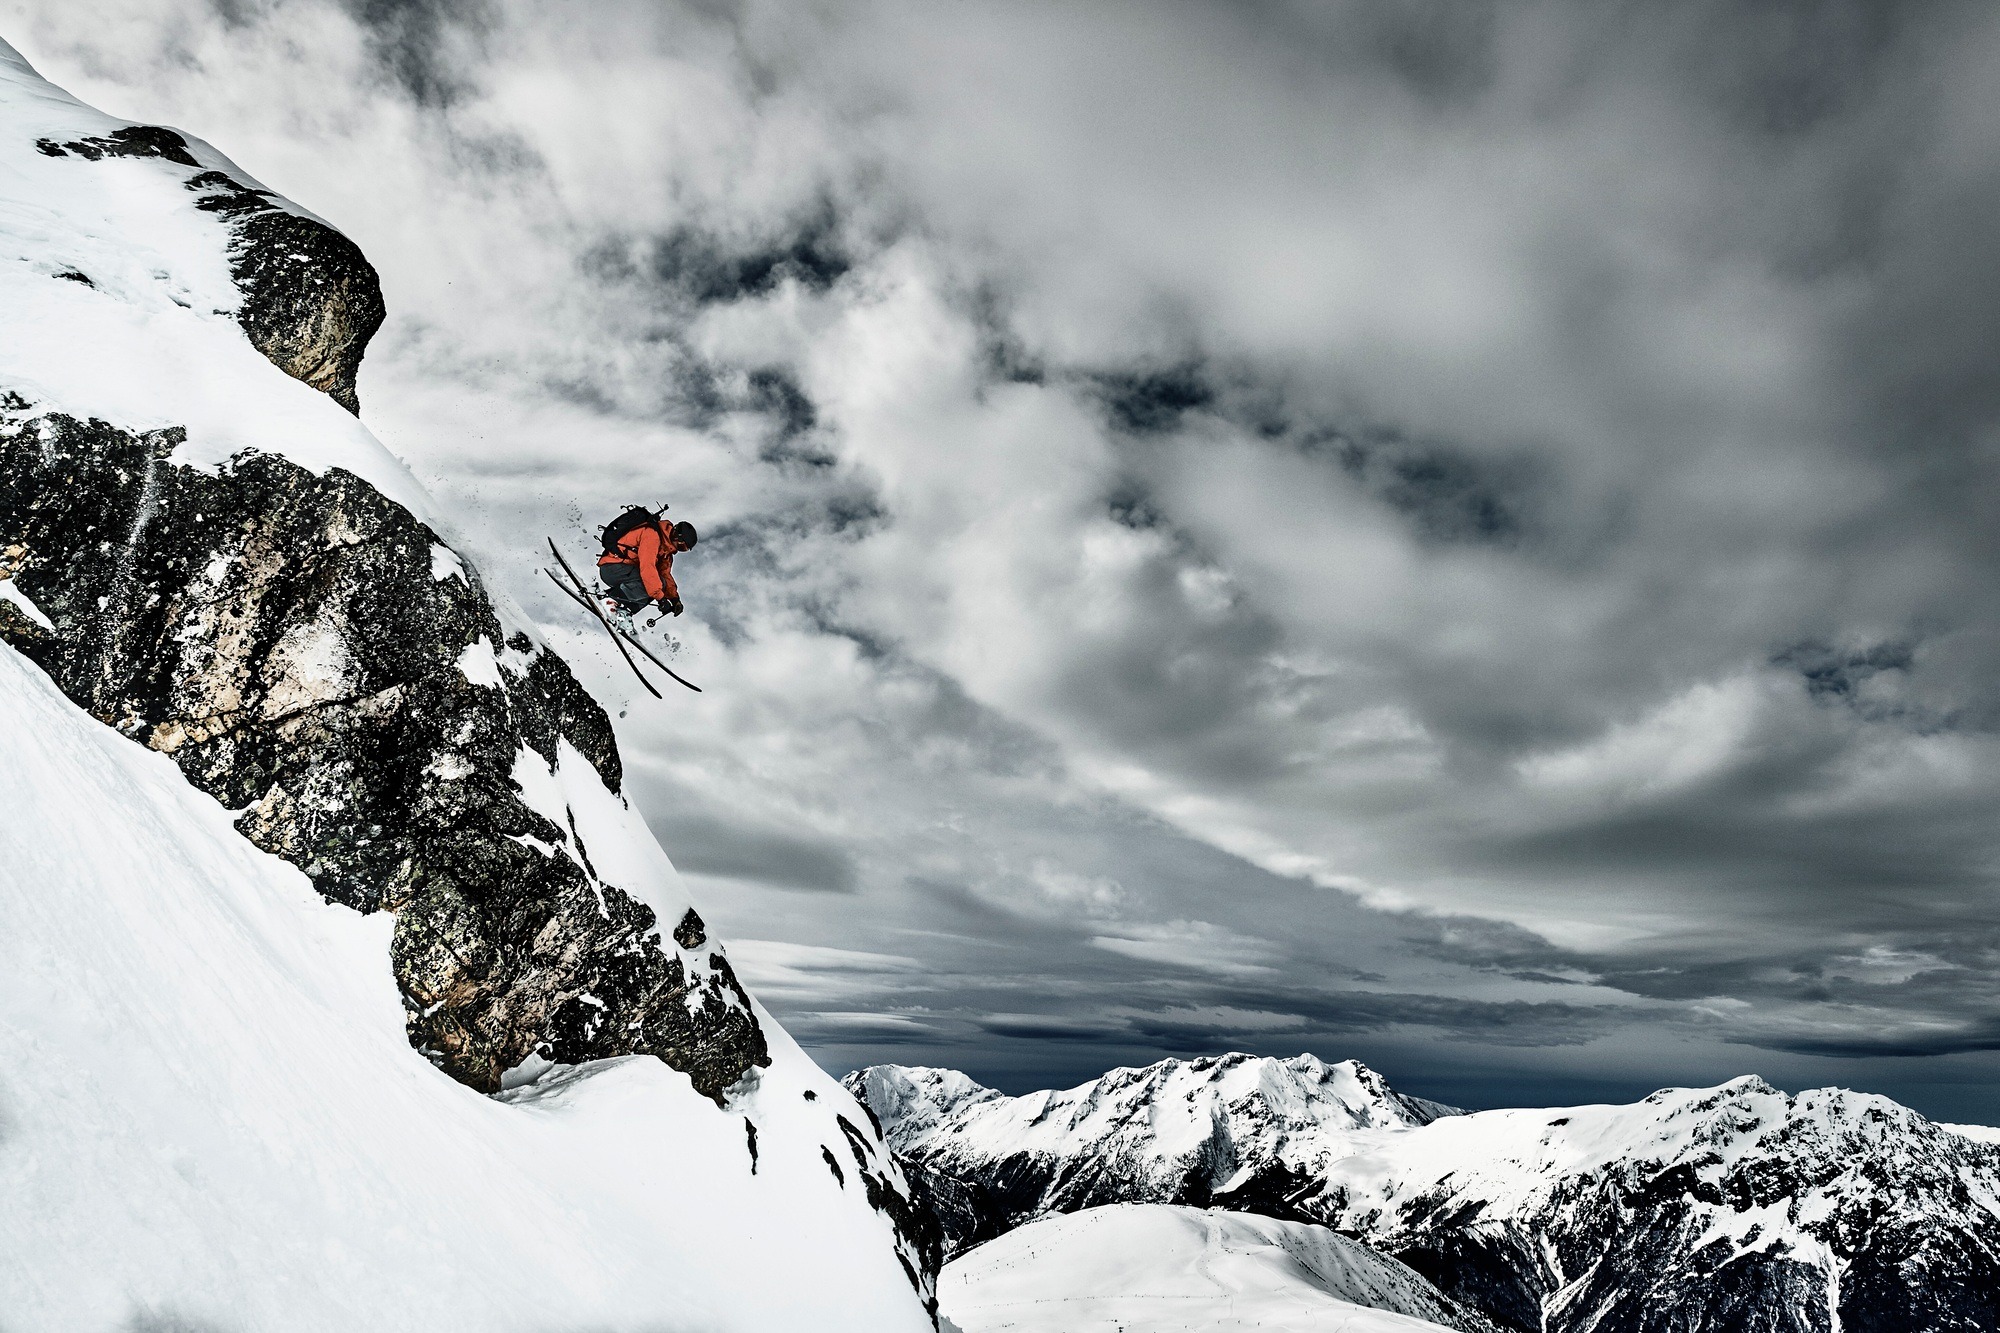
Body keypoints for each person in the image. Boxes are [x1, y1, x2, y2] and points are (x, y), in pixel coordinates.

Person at [597, 510, 697, 629]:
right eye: (682, 546)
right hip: (612, 568)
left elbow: (664, 575)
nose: (680, 549)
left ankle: (624, 612)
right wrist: (661, 599)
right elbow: (647, 568)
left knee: (659, 585)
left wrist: (674, 599)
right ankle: (610, 601)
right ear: (676, 536)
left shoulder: (666, 553)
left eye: (684, 549)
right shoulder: (652, 535)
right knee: (653, 585)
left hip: (625, 571)